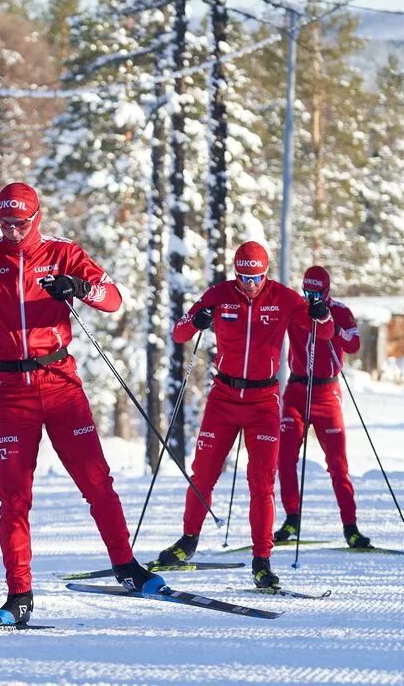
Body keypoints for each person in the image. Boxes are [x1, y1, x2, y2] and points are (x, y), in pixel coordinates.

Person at [0, 181, 164, 626]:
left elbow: (112, 299)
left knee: (97, 483)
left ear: (37, 217)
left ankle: (126, 565)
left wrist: (76, 287)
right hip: (12, 390)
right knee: (13, 499)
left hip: (59, 381)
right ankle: (19, 595)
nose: (12, 231)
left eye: (20, 223)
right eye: (4, 223)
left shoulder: (63, 252)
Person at [155, 242, 332, 589]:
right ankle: (187, 541)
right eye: (244, 276)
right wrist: (197, 320)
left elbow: (324, 333)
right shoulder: (220, 294)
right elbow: (179, 333)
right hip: (223, 397)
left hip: (263, 400)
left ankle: (262, 560)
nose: (250, 284)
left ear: (266, 273)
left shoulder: (283, 298)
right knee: (202, 473)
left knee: (261, 482)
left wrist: (321, 314)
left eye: (257, 277)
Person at [274, 266, 369, 549]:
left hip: (327, 392)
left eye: (317, 293)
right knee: (284, 455)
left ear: (327, 291)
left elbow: (353, 344)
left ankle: (350, 526)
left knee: (338, 464)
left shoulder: (340, 311)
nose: (311, 297)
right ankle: (292, 517)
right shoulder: (296, 308)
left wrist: (332, 325)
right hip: (297, 389)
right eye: (308, 291)